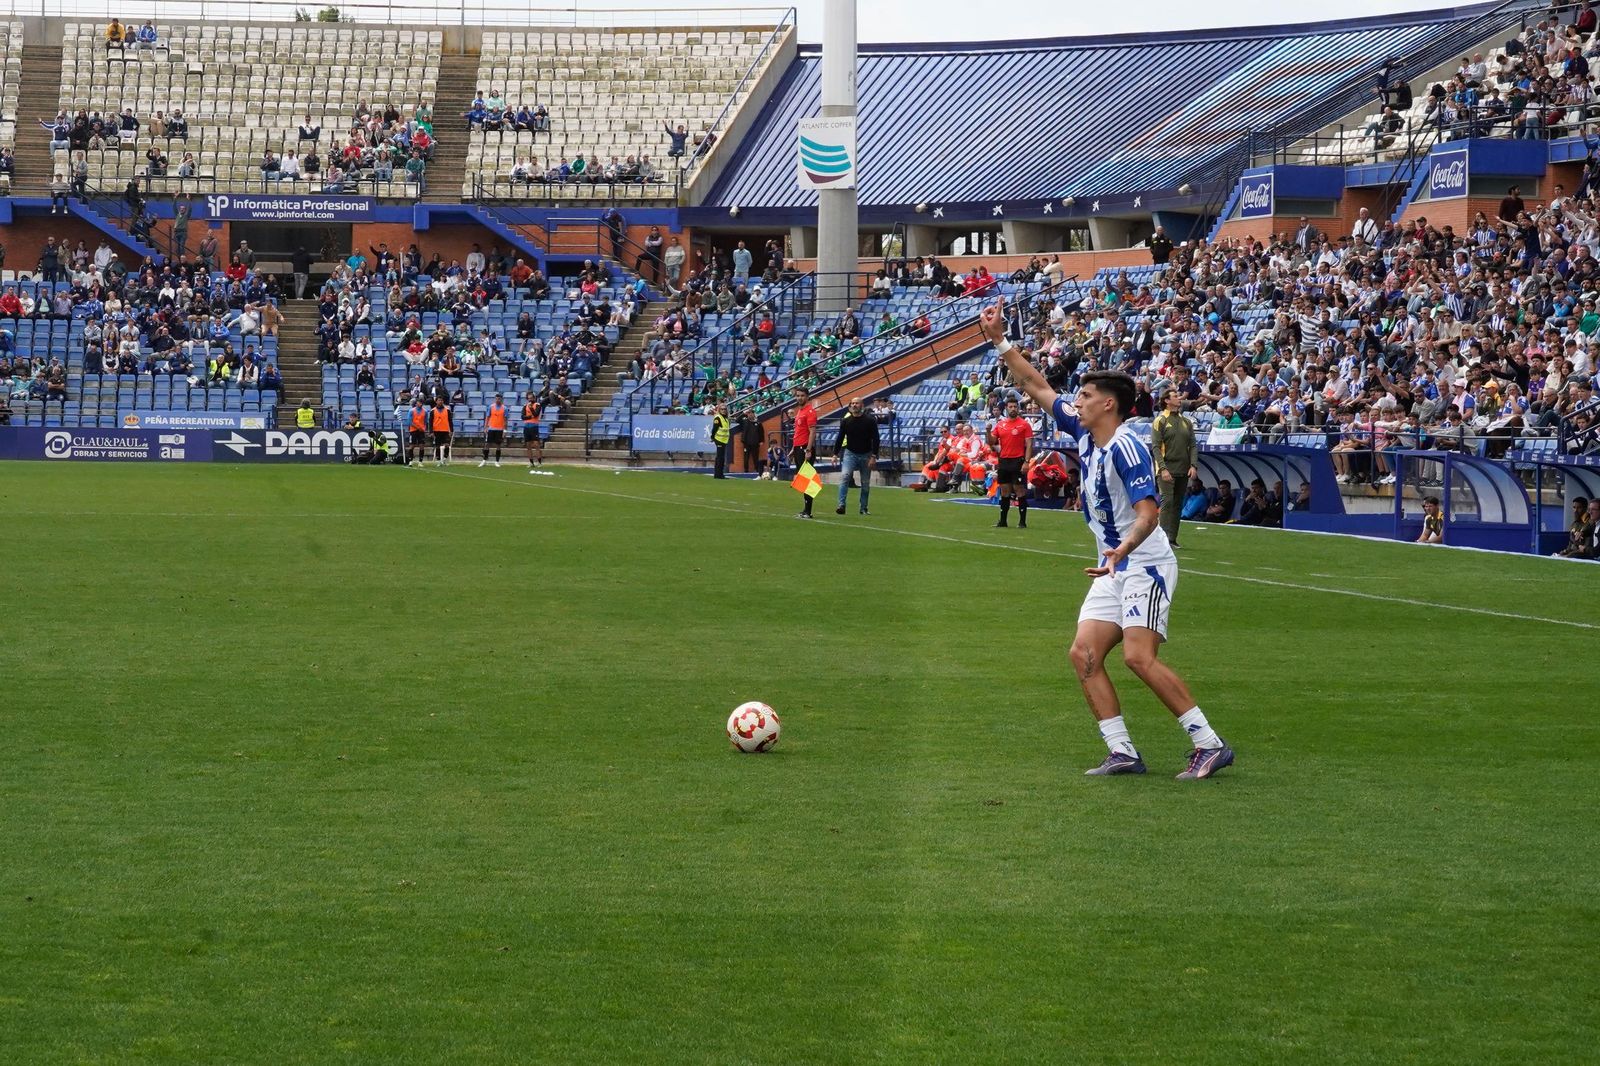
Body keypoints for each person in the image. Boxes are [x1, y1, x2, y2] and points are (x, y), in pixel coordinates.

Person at [980, 295, 1233, 780]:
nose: (1076, 400)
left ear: (1109, 404)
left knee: (1139, 657)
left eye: (1086, 395)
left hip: (1145, 564)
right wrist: (999, 339)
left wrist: (1121, 550)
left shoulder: (1128, 448)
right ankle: (1123, 752)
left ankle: (1209, 743)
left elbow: (1149, 515)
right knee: (1084, 653)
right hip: (1113, 564)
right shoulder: (1083, 433)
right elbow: (1035, 384)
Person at [1150, 389, 1198, 547]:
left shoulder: (1186, 422)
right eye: (1175, 396)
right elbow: (1156, 447)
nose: (1179, 398)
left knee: (1178, 504)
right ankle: (1161, 539)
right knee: (1167, 502)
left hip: (1183, 469)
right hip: (1166, 469)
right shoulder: (1160, 420)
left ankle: (1172, 538)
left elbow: (1192, 445)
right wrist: (1162, 468)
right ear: (1167, 401)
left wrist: (1193, 465)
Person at [988, 397, 1034, 528]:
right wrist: (987, 431)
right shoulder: (1001, 424)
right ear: (1006, 408)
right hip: (1003, 461)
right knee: (1004, 491)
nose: (1013, 409)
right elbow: (992, 441)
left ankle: (1022, 521)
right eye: (1010, 407)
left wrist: (1026, 462)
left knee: (1019, 490)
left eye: (1015, 407)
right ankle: (1003, 521)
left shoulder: (1024, 424)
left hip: (1018, 461)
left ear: (1018, 408)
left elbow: (1029, 445)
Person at [834, 396, 878, 516]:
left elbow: (876, 439)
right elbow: (840, 437)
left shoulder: (870, 420)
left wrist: (874, 456)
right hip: (850, 453)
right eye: (852, 403)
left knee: (865, 482)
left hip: (866, 454)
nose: (854, 405)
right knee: (844, 477)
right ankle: (841, 505)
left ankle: (863, 508)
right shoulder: (846, 421)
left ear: (862, 405)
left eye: (857, 403)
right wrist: (835, 454)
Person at [790, 386, 818, 518]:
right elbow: (798, 431)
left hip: (804, 448)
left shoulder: (810, 411)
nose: (799, 398)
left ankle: (808, 511)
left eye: (802, 395)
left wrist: (808, 449)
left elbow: (812, 431)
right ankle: (806, 509)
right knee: (803, 479)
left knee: (807, 480)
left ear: (807, 397)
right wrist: (793, 448)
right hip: (798, 447)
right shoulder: (800, 411)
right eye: (797, 395)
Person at [480, 392, 508, 467]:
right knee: (487, 444)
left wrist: (505, 430)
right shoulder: (491, 407)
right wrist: (485, 427)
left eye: (499, 399)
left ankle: (497, 461)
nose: (497, 400)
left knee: (498, 445)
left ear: (501, 399)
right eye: (496, 399)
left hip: (499, 429)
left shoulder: (504, 408)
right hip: (491, 428)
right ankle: (484, 460)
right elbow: (487, 417)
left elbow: (505, 420)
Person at [521, 393, 545, 471]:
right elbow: (523, 417)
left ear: (534, 398)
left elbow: (536, 414)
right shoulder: (525, 406)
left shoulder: (538, 405)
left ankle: (539, 462)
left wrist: (531, 409)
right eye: (529, 398)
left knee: (536, 444)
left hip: (534, 426)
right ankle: (531, 462)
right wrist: (529, 416)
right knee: (528, 445)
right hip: (526, 426)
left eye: (531, 398)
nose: (530, 399)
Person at [710, 401, 731, 479]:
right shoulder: (718, 418)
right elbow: (714, 428)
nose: (724, 410)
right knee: (720, 458)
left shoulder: (725, 418)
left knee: (721, 458)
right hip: (719, 439)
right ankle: (718, 474)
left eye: (725, 409)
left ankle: (719, 474)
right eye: (722, 409)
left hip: (724, 440)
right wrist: (712, 437)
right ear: (719, 410)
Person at [430, 398, 453, 466]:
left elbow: (450, 421)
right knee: (437, 446)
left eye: (441, 400)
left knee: (447, 445)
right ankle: (438, 461)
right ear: (436, 401)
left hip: (445, 430)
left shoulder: (447, 410)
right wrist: (431, 431)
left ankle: (445, 459)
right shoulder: (433, 411)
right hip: (436, 430)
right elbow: (430, 422)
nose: (440, 401)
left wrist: (451, 430)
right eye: (439, 400)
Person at [406, 399, 429, 466]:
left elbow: (425, 421)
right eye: (419, 403)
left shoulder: (425, 412)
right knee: (412, 446)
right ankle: (411, 461)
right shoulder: (411, 411)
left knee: (422, 446)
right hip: (413, 430)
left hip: (421, 431)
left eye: (421, 403)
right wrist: (417, 427)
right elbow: (409, 421)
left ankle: (420, 462)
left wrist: (424, 428)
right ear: (416, 403)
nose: (420, 404)